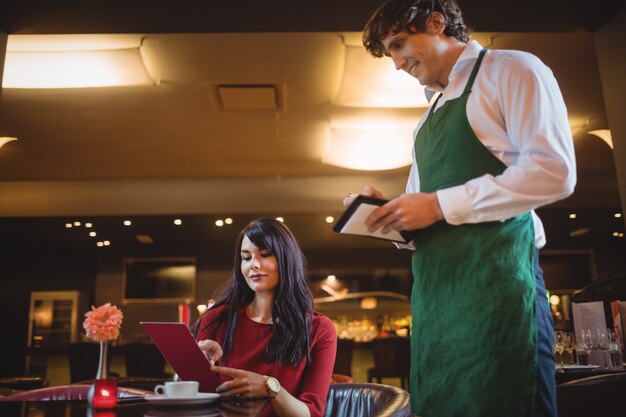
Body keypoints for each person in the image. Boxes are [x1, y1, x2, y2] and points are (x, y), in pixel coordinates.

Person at [346, 1, 577, 416]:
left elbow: (554, 171)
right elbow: (424, 218)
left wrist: (437, 204)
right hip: (435, 304)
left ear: (436, 22)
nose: (397, 63)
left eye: (400, 44)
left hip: (499, 291)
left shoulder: (512, 69)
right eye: (390, 53)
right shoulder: (424, 122)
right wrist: (387, 216)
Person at [194, 218, 337, 417]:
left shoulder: (318, 328)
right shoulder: (217, 319)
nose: (254, 264)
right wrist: (193, 366)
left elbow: (311, 413)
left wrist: (269, 387)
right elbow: (197, 400)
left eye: (265, 254)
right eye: (246, 257)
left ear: (286, 259)